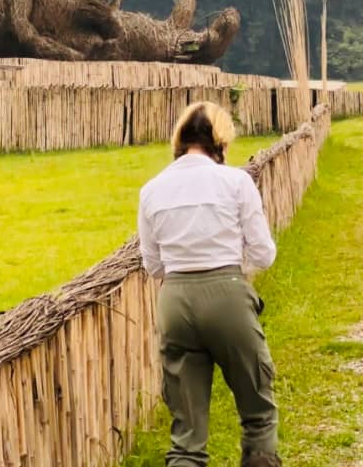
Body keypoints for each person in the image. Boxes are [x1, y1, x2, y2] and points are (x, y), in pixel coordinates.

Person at [138, 102, 281, 467]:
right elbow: (263, 253)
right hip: (227, 292)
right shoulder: (235, 182)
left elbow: (152, 263)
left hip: (175, 300)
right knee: (257, 408)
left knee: (186, 430)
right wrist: (231, 267)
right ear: (221, 140)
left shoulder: (152, 189)